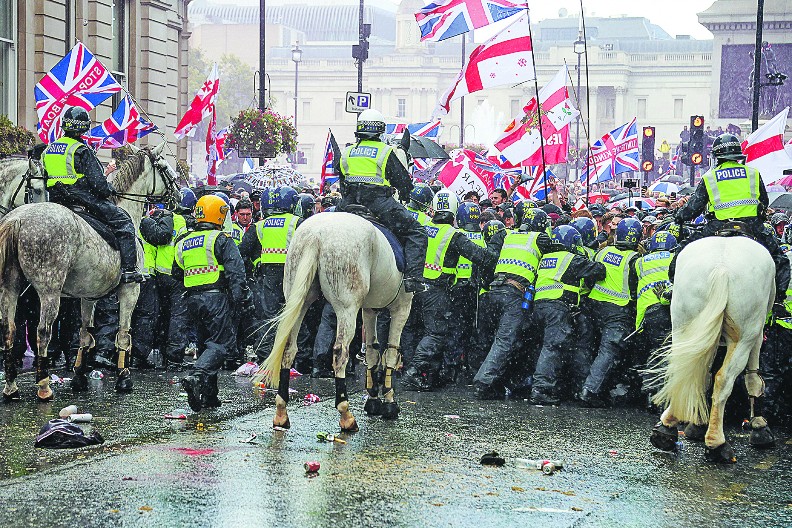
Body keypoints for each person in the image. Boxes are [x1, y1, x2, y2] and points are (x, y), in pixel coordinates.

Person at [670, 133, 791, 309]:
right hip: (751, 226)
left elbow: (693, 208)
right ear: (737, 155)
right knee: (780, 260)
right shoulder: (753, 174)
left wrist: (679, 216)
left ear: (717, 157)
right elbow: (763, 203)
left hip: (717, 226)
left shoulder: (710, 177)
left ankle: (673, 289)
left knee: (681, 253)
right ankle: (779, 301)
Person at [401, 190, 502, 391]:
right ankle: (413, 372)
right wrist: (497, 242)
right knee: (436, 333)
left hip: (413, 287)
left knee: (413, 330)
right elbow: (483, 257)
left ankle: (420, 373)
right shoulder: (453, 236)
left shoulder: (421, 226)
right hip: (436, 290)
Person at [42, 106, 142, 283]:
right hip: (80, 197)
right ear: (84, 128)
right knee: (124, 222)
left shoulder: (48, 149)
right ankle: (129, 271)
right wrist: (109, 188)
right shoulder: (81, 150)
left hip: (53, 198)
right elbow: (98, 186)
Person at [335, 109, 428, 293]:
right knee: (417, 232)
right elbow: (403, 182)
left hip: (347, 205)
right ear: (380, 131)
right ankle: (412, 279)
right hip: (378, 205)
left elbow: (342, 178)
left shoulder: (347, 152)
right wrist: (405, 191)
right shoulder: (384, 152)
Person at [174, 195, 253, 412]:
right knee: (221, 344)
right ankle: (197, 376)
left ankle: (209, 396)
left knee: (205, 345)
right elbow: (236, 273)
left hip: (192, 300)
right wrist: (243, 301)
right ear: (219, 215)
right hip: (216, 298)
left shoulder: (184, 241)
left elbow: (176, 271)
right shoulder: (221, 239)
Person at [473, 208, 553, 400]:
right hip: (514, 293)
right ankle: (483, 382)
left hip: (494, 291)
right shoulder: (539, 239)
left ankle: (497, 382)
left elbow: (491, 253)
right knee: (505, 341)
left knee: (496, 340)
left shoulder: (507, 233)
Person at [528, 225, 606, 404]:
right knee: (552, 348)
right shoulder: (570, 258)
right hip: (557, 307)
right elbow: (599, 270)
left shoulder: (546, 257)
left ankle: (546, 386)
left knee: (545, 348)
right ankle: (541, 390)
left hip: (539, 306)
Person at [578, 218, 641, 407]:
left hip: (593, 305)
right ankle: (589, 390)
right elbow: (635, 289)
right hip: (618, 310)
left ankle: (579, 386)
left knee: (586, 346)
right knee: (608, 351)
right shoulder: (635, 259)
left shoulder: (603, 251)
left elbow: (592, 275)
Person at [239, 186, 302, 361]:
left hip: (268, 275)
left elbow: (242, 251)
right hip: (293, 274)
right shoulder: (297, 222)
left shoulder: (259, 226)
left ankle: (265, 355)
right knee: (297, 313)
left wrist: (255, 264)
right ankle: (301, 358)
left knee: (268, 316)